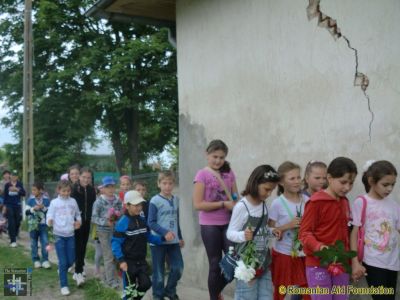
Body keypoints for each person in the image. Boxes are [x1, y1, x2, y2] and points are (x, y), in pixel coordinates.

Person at [299, 157, 357, 300]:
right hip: (317, 265)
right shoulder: (315, 202)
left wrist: (353, 262)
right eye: (343, 182)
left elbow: (345, 234)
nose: (347, 187)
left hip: (341, 264)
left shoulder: (344, 202)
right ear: (329, 178)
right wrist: (320, 247)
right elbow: (304, 233)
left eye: (351, 183)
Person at [193, 139, 238, 300]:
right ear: (207, 155)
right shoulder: (202, 175)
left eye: (222, 157)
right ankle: (214, 297)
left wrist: (235, 201)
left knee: (233, 262)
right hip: (209, 225)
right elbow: (198, 204)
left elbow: (234, 196)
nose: (218, 160)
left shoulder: (229, 173)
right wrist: (222, 203)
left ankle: (215, 291)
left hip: (228, 224)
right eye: (215, 156)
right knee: (215, 263)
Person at [227, 165, 281, 299]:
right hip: (247, 264)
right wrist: (242, 235)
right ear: (255, 183)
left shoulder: (263, 205)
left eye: (272, 190)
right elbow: (230, 233)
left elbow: (261, 230)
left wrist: (272, 231)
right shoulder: (242, 206)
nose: (269, 194)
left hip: (264, 262)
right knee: (246, 296)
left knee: (266, 296)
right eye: (267, 189)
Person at [351, 160, 400, 300]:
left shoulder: (394, 205)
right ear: (371, 181)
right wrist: (355, 262)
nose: (390, 189)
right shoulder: (361, 202)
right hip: (373, 262)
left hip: (393, 262)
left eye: (393, 184)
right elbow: (354, 233)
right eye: (385, 184)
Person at [112, 190, 164, 300]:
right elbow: (115, 243)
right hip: (128, 262)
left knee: (146, 284)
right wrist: (121, 260)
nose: (139, 207)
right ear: (127, 206)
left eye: (140, 204)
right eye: (135, 205)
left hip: (141, 261)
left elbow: (148, 236)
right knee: (129, 291)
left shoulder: (142, 220)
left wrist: (162, 239)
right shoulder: (122, 222)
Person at [269, 161, 310, 300]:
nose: (297, 181)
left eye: (298, 177)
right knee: (281, 289)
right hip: (284, 254)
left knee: (308, 290)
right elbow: (270, 230)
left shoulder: (306, 200)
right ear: (281, 182)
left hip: (304, 253)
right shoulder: (277, 203)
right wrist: (287, 225)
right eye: (292, 178)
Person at [148, 170, 184, 300]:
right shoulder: (154, 200)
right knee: (158, 272)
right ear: (159, 184)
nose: (167, 186)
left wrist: (179, 237)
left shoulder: (176, 200)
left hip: (173, 242)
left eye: (170, 183)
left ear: (173, 184)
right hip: (158, 242)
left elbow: (176, 220)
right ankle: (158, 295)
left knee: (178, 268)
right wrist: (164, 232)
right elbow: (150, 222)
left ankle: (169, 290)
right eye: (164, 183)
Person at [47, 180, 81, 296]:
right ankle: (64, 285)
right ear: (58, 190)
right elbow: (49, 214)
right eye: (63, 191)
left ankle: (61, 270)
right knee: (62, 262)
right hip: (59, 235)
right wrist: (49, 220)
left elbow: (78, 214)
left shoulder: (73, 201)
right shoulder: (54, 203)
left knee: (71, 260)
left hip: (70, 235)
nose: (66, 193)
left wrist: (79, 222)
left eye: (68, 191)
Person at [91, 176, 123, 289]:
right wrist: (105, 222)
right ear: (102, 189)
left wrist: (118, 215)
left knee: (115, 254)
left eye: (112, 186)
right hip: (103, 232)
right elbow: (93, 218)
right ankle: (111, 281)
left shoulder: (117, 199)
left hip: (116, 231)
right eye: (107, 187)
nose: (110, 189)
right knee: (108, 256)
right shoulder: (99, 201)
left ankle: (110, 275)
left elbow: (122, 211)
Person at [71, 167, 97, 286]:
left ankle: (79, 268)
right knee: (78, 246)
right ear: (79, 177)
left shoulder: (92, 190)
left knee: (83, 246)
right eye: (84, 177)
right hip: (76, 222)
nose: (86, 180)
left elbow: (93, 206)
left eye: (89, 178)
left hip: (87, 222)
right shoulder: (74, 189)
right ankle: (78, 272)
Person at [25, 181, 51, 269]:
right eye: (32, 190)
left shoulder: (47, 200)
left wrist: (43, 207)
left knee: (46, 243)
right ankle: (36, 260)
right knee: (33, 243)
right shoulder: (30, 200)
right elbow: (26, 212)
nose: (33, 192)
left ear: (41, 190)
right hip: (33, 225)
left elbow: (50, 212)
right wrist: (33, 209)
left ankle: (45, 260)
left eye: (35, 190)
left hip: (44, 225)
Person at [4, 170, 26, 247]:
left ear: (17, 177)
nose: (14, 177)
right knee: (11, 222)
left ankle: (15, 234)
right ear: (11, 176)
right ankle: (12, 241)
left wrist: (17, 190)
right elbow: (5, 196)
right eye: (13, 175)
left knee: (17, 221)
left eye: (15, 176)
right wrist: (5, 206)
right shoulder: (7, 185)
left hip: (17, 205)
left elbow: (24, 193)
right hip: (10, 205)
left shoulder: (20, 184)